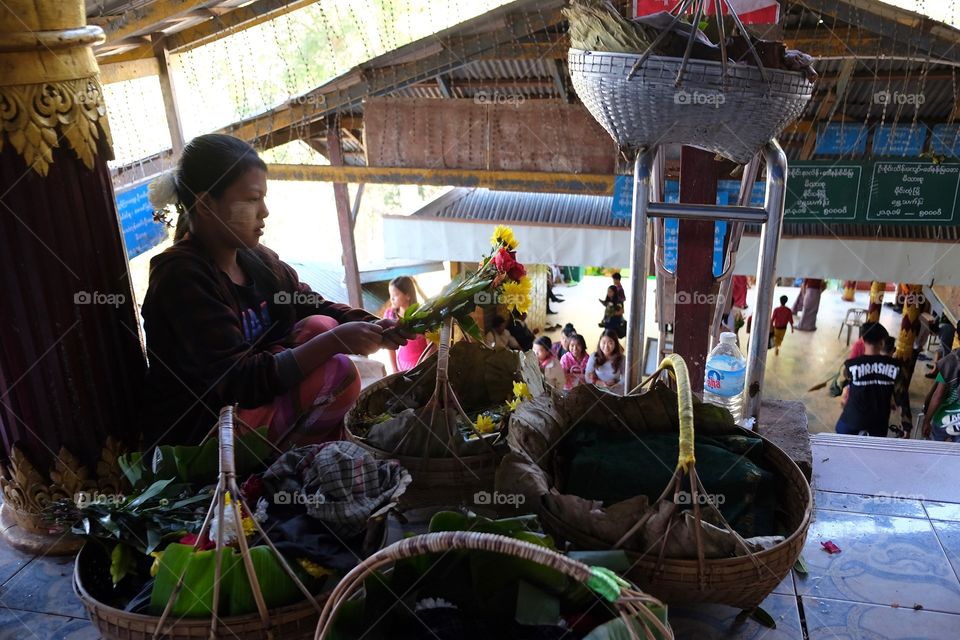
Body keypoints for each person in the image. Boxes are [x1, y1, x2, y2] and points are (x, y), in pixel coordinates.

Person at [140, 134, 409, 447]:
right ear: (206, 205)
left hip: (252, 409)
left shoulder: (257, 260)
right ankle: (277, 465)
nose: (264, 211)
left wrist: (373, 326)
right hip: (203, 434)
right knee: (337, 373)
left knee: (318, 325)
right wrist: (336, 340)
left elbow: (312, 306)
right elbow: (241, 381)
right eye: (253, 199)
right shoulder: (181, 276)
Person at [831, 323, 911, 438]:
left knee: (843, 448)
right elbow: (902, 398)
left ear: (862, 340)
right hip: (878, 426)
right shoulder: (897, 367)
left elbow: (836, 388)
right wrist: (906, 426)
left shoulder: (850, 365)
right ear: (882, 343)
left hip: (851, 422)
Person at [383, 276, 429, 373]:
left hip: (422, 365)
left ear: (408, 295)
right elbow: (389, 345)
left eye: (395, 295)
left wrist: (423, 368)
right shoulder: (390, 315)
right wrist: (394, 369)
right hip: (401, 366)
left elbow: (432, 345)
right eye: (390, 295)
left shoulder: (422, 315)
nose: (391, 299)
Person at [922, 350, 960, 442]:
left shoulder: (949, 362)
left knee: (935, 451)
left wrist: (927, 420)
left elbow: (937, 396)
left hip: (942, 420)